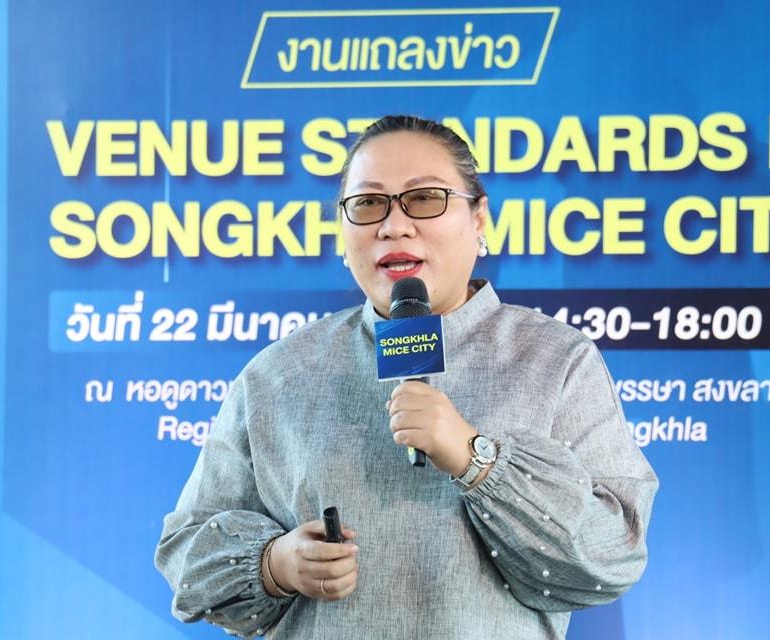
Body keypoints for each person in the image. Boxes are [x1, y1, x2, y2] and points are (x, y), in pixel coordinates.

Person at [155, 115, 658, 639]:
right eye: (368, 203)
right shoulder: (279, 373)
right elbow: (185, 557)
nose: (394, 225)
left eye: (424, 198)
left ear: (479, 219)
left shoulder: (554, 359)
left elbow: (611, 556)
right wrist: (275, 565)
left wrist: (477, 460)